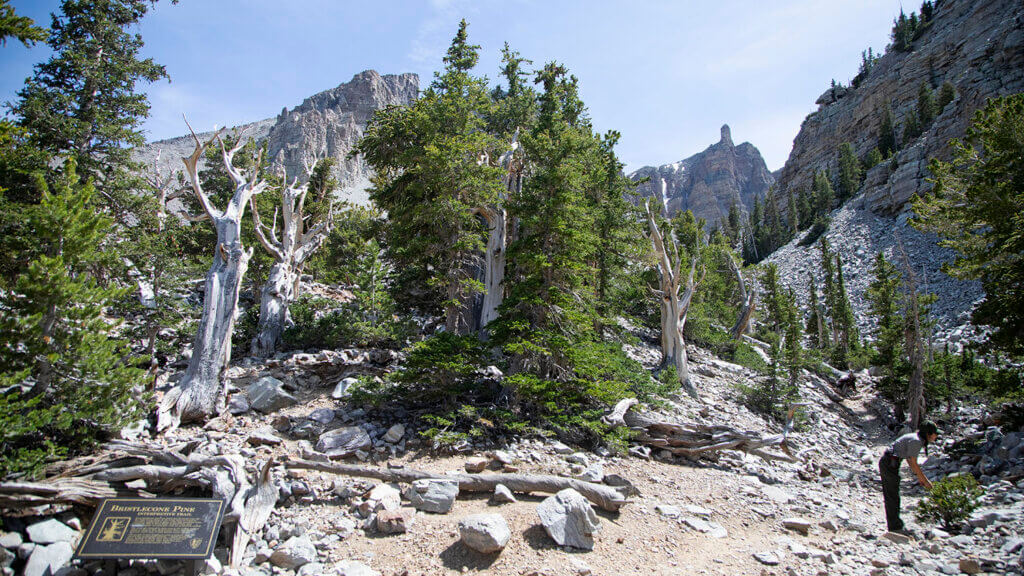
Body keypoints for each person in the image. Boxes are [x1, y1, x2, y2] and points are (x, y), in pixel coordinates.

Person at [879, 420, 939, 533]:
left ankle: (896, 525)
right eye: (935, 433)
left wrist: (920, 478)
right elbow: (913, 461)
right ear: (929, 434)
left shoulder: (915, 438)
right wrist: (925, 481)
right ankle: (895, 527)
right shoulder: (916, 441)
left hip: (890, 463)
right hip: (890, 463)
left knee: (893, 495)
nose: (936, 436)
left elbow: (910, 461)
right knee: (892, 496)